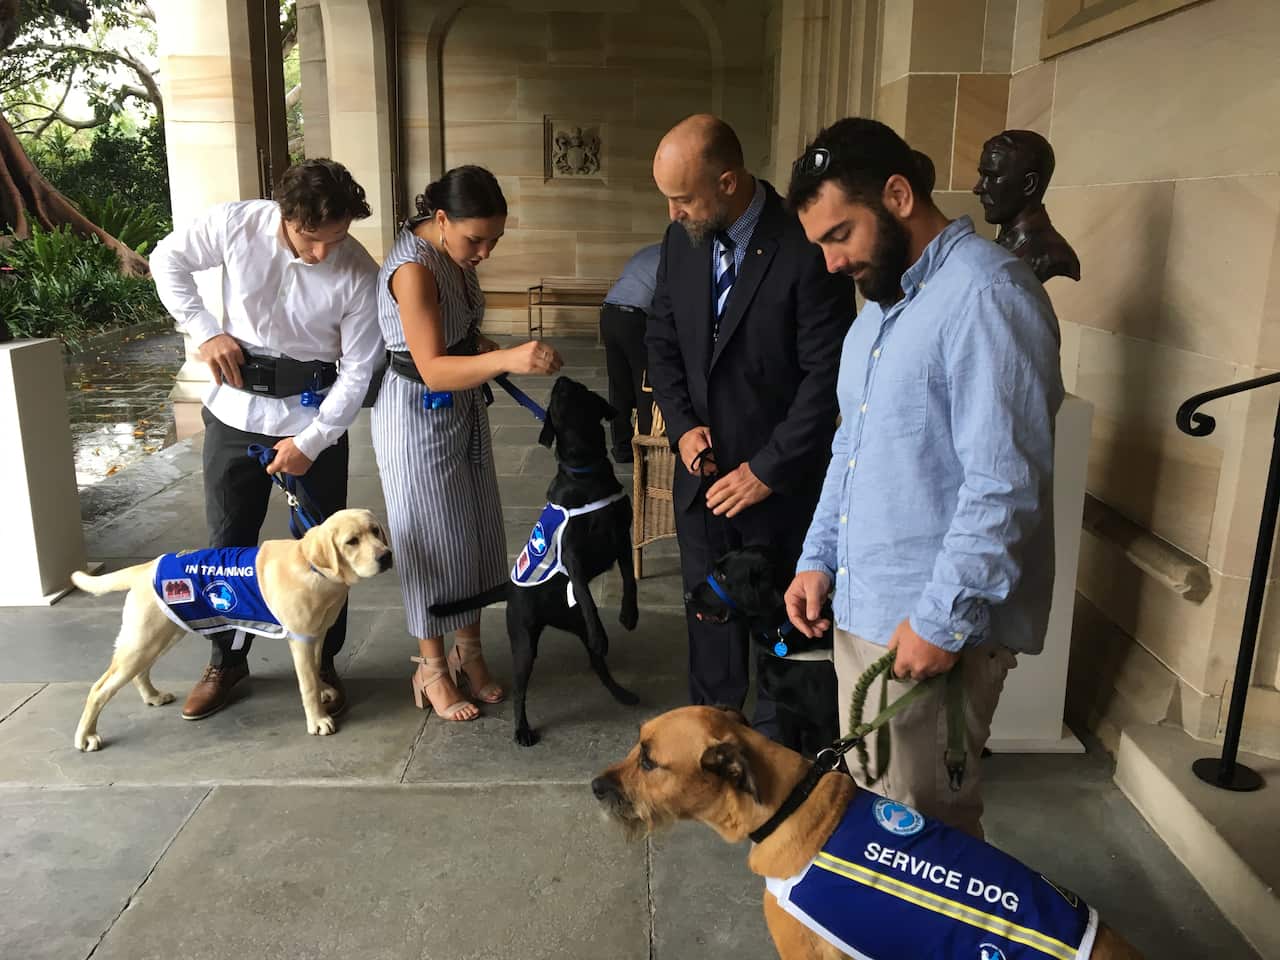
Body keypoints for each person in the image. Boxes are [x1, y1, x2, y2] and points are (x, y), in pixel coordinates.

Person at [783, 117, 1064, 838]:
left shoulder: (988, 295)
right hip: (866, 613)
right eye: (819, 244)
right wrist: (817, 559)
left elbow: (1004, 485)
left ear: (899, 195)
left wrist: (942, 618)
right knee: (879, 829)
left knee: (926, 838)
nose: (830, 263)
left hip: (933, 632)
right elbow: (851, 451)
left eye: (839, 235)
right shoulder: (876, 318)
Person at [150, 158, 383, 720]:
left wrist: (315, 440)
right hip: (235, 411)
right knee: (227, 544)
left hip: (313, 423)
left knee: (332, 553)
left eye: (338, 237)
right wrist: (205, 332)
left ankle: (323, 664)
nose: (324, 252)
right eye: (311, 237)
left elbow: (358, 368)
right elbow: (166, 259)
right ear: (285, 215)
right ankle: (226, 660)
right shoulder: (237, 224)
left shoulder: (357, 271)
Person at [646, 114, 855, 738]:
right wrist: (682, 426)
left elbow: (828, 377)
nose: (674, 212)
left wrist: (767, 469)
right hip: (701, 476)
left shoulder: (804, 243)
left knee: (784, 629)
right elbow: (662, 339)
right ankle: (713, 732)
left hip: (779, 487)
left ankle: (778, 745)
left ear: (729, 181)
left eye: (683, 198)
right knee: (708, 617)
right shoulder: (679, 239)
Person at [371, 165, 562, 721]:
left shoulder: (452, 257)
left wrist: (482, 345)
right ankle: (431, 667)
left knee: (474, 531)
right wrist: (507, 358)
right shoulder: (413, 268)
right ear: (441, 219)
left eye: (493, 241)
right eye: (475, 238)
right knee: (429, 537)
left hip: (462, 408)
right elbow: (430, 367)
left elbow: (455, 333)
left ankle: (470, 652)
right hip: (416, 412)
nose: (483, 252)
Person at [973, 129, 1081, 284]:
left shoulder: (1050, 255)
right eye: (982, 176)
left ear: (1028, 184)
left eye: (992, 176)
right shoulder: (1004, 244)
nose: (978, 188)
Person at [600, 242, 660, 462]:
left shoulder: (645, 251)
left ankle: (622, 448)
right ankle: (644, 450)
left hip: (608, 313)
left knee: (619, 385)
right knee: (646, 384)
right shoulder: (677, 255)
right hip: (636, 319)